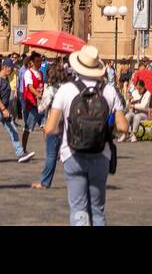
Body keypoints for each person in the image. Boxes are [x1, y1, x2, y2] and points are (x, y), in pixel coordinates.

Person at [44, 43, 127, 226]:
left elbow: (49, 128)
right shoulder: (109, 90)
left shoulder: (65, 90)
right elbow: (123, 127)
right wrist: (106, 129)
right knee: (97, 210)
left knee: (78, 210)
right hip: (101, 155)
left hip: (72, 155)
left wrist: (65, 129)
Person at [0, 58, 34, 164]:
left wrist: (6, 110)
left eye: (12, 67)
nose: (11, 69)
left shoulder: (6, 78)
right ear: (4, 67)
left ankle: (20, 153)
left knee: (13, 130)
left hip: (4, 110)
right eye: (10, 67)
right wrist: (3, 109)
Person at [32, 61, 67, 190]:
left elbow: (41, 108)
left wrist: (39, 98)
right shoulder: (68, 89)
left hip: (54, 123)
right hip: (67, 124)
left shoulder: (50, 90)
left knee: (51, 154)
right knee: (68, 154)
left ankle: (45, 182)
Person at [21, 52, 43, 154]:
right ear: (32, 62)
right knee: (28, 128)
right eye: (37, 61)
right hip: (32, 104)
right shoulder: (28, 73)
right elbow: (30, 87)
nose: (39, 63)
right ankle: (22, 149)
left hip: (41, 104)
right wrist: (38, 94)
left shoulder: (41, 73)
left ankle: (50, 149)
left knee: (45, 126)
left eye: (40, 61)